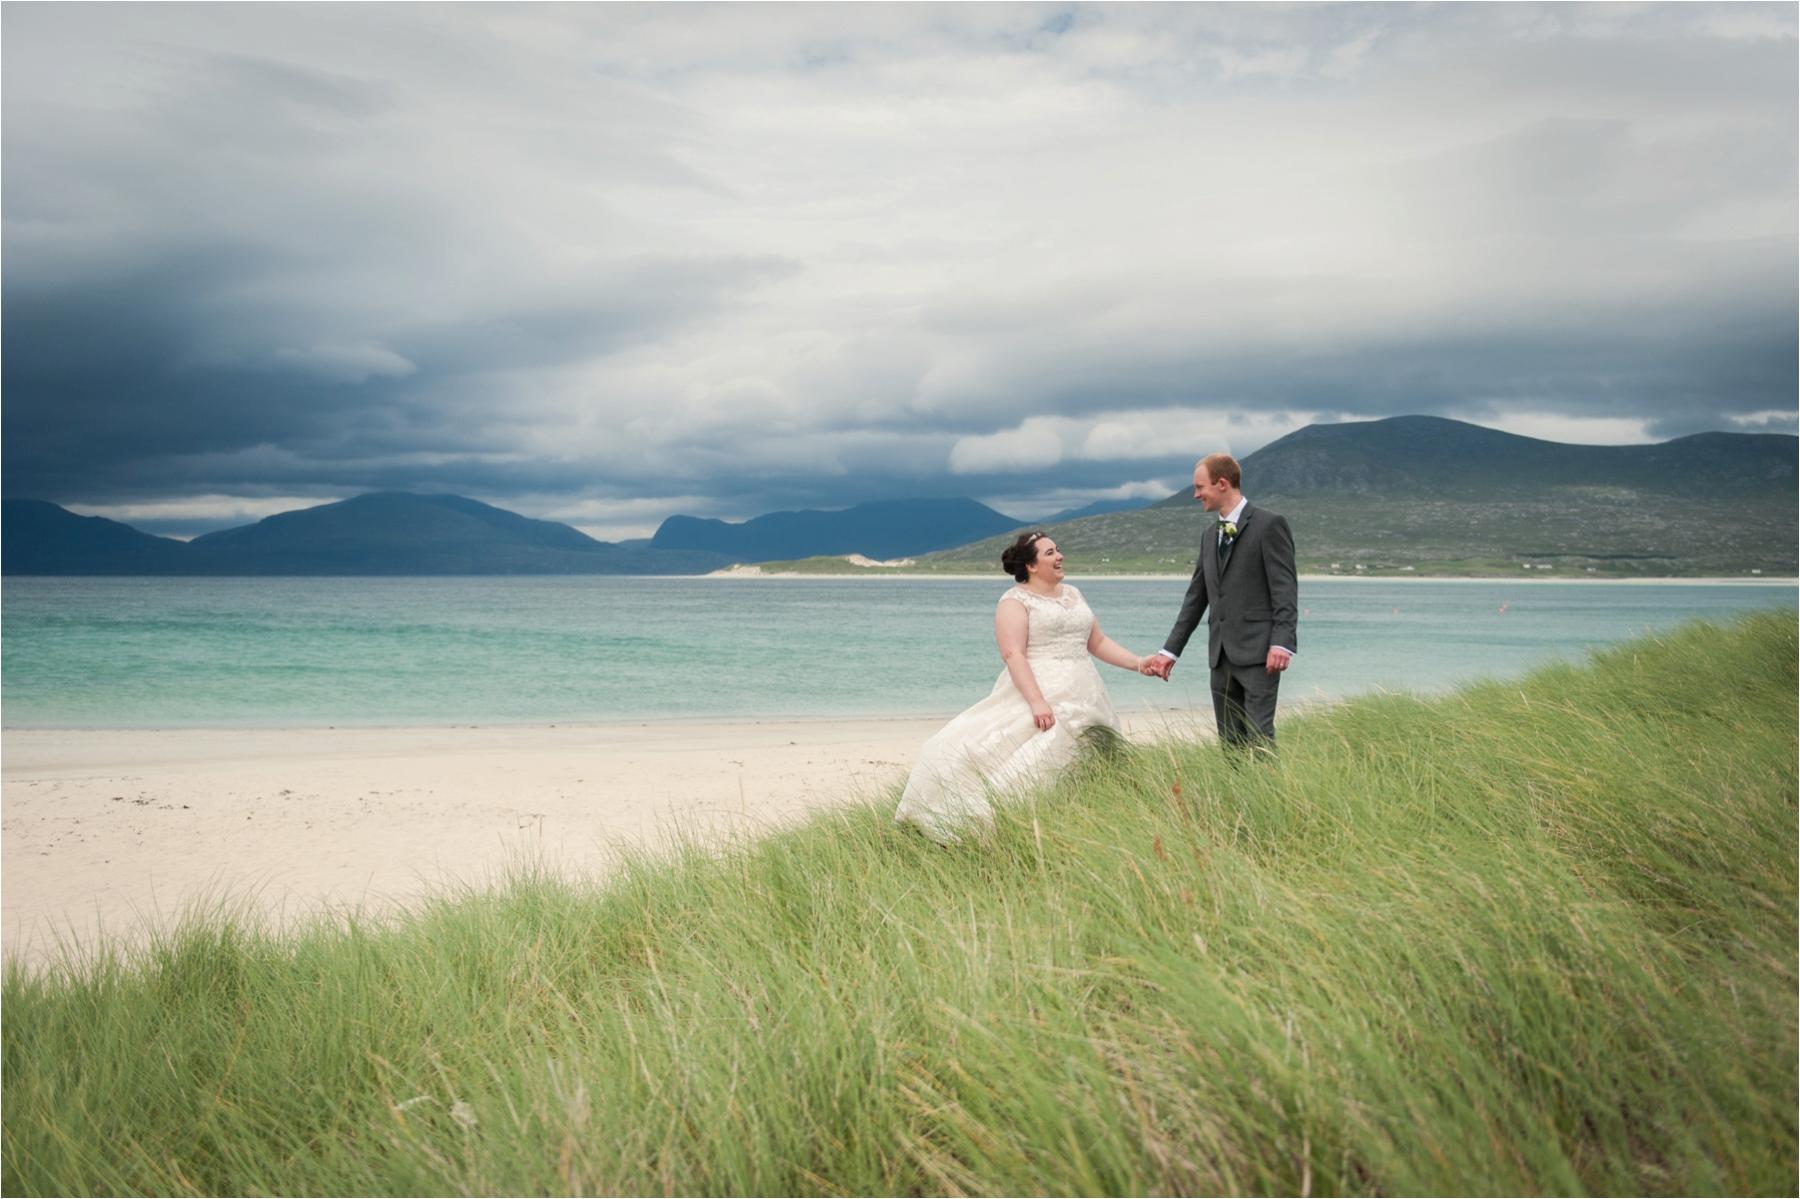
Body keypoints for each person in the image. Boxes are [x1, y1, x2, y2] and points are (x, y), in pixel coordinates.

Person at [894, 531, 1149, 844]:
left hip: (1086, 689)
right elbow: (1013, 653)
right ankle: (1005, 824)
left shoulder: (1073, 594)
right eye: (1050, 553)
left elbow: (1097, 642)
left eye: (1058, 550)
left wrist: (1139, 663)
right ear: (1030, 565)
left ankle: (1079, 822)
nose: (1060, 557)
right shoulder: (1014, 601)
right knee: (1031, 758)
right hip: (1040, 689)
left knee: (1087, 752)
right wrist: (1037, 701)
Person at [1141, 453, 1298, 751]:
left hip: (1259, 655)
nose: (1195, 494)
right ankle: (1236, 796)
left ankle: (1270, 796)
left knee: (1260, 737)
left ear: (1222, 483)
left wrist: (1282, 642)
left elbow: (1285, 590)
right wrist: (1169, 652)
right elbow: (1195, 599)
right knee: (1229, 743)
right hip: (1220, 657)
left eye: (1200, 487)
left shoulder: (1269, 525)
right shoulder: (1208, 535)